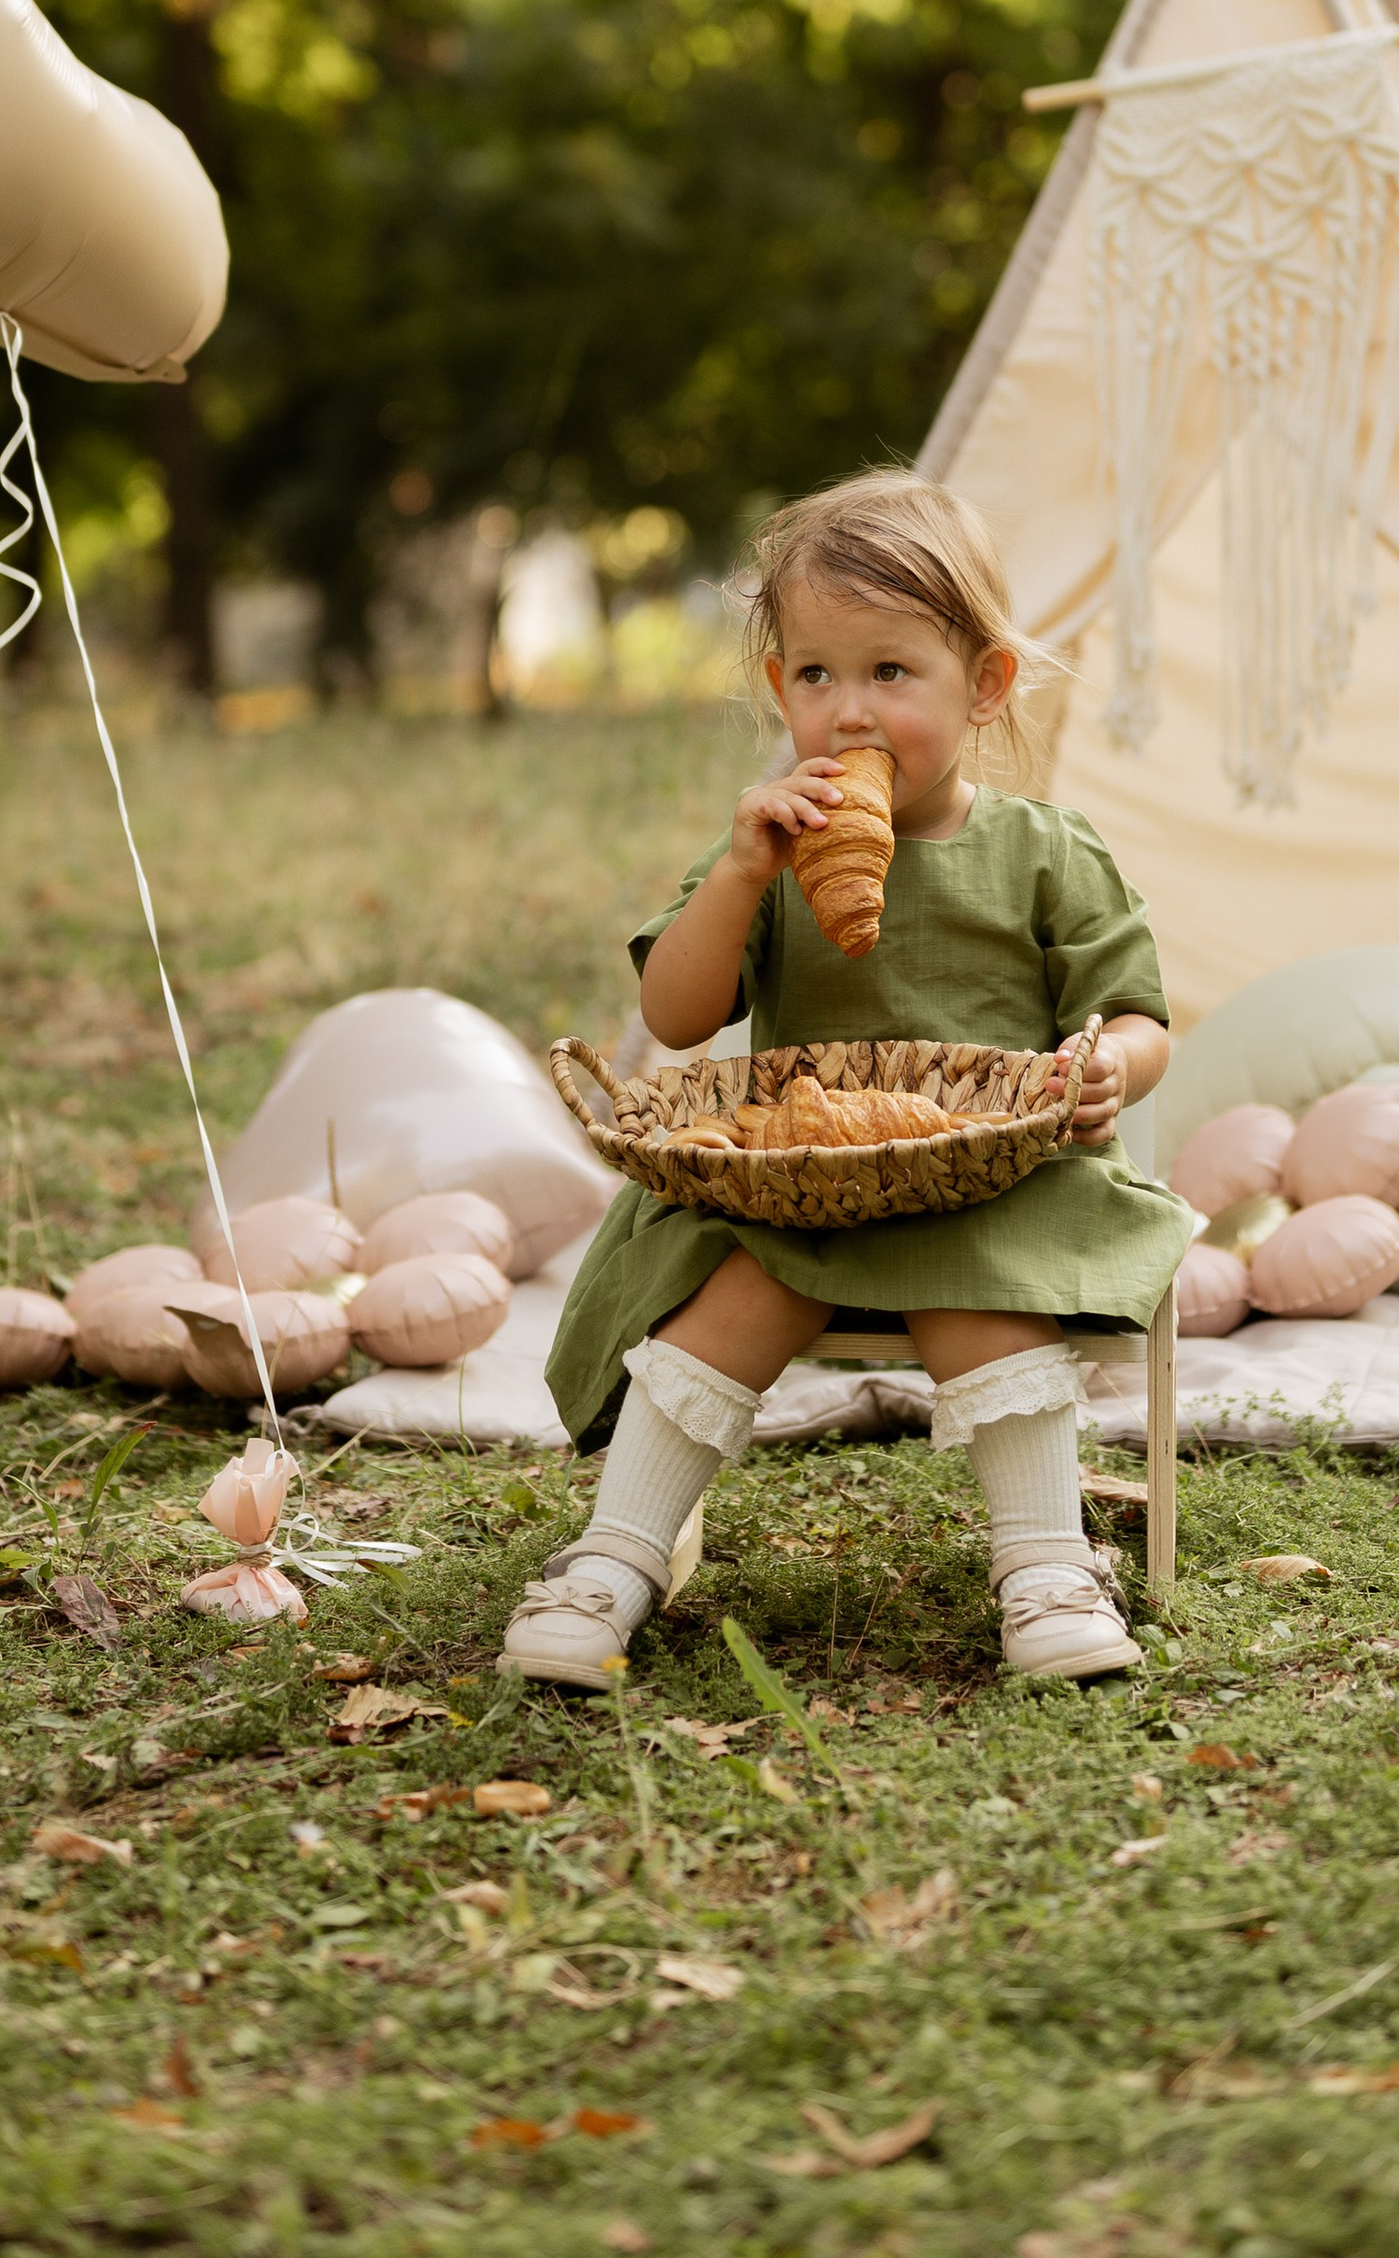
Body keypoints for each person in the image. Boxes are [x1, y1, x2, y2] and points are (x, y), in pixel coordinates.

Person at [505, 471, 1184, 1688]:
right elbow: (676, 1012)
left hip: (990, 1185)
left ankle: (1044, 1563)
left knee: (984, 1295)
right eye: (816, 674)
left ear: (982, 684)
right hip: (800, 1192)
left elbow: (1135, 1013)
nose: (850, 712)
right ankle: (616, 1552)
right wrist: (736, 876)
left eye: (889, 671)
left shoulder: (1042, 849)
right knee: (730, 1303)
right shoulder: (772, 847)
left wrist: (1103, 1070)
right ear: (778, 690)